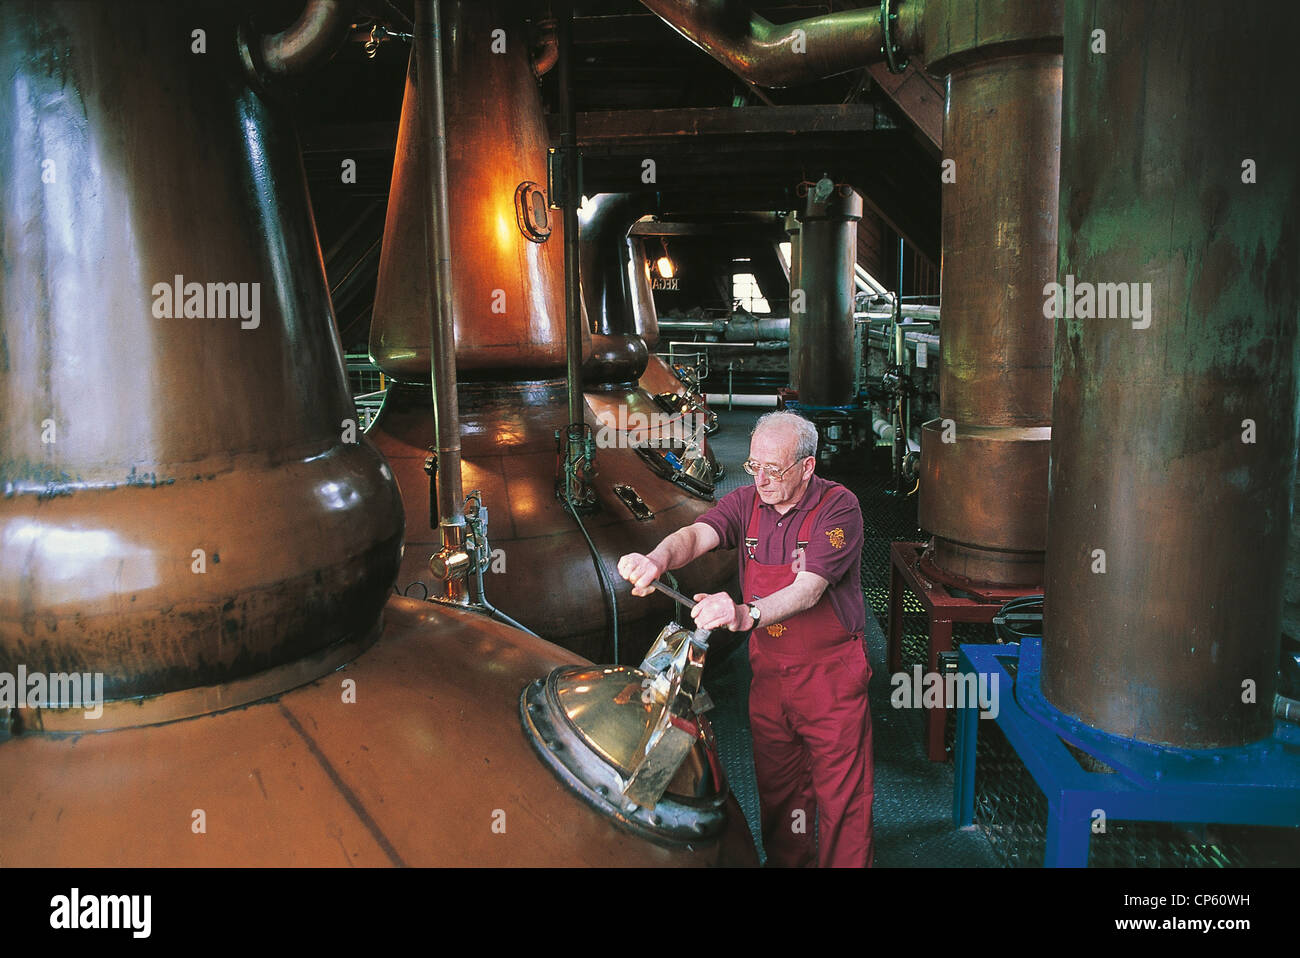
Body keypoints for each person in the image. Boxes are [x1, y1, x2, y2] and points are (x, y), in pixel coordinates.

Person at [617, 410, 873, 867]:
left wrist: (743, 612)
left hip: (830, 677)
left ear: (807, 467)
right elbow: (696, 534)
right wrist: (657, 560)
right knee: (780, 792)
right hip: (770, 674)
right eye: (754, 466)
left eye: (774, 469)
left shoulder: (839, 508)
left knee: (843, 799)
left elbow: (809, 588)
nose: (762, 479)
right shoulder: (747, 502)